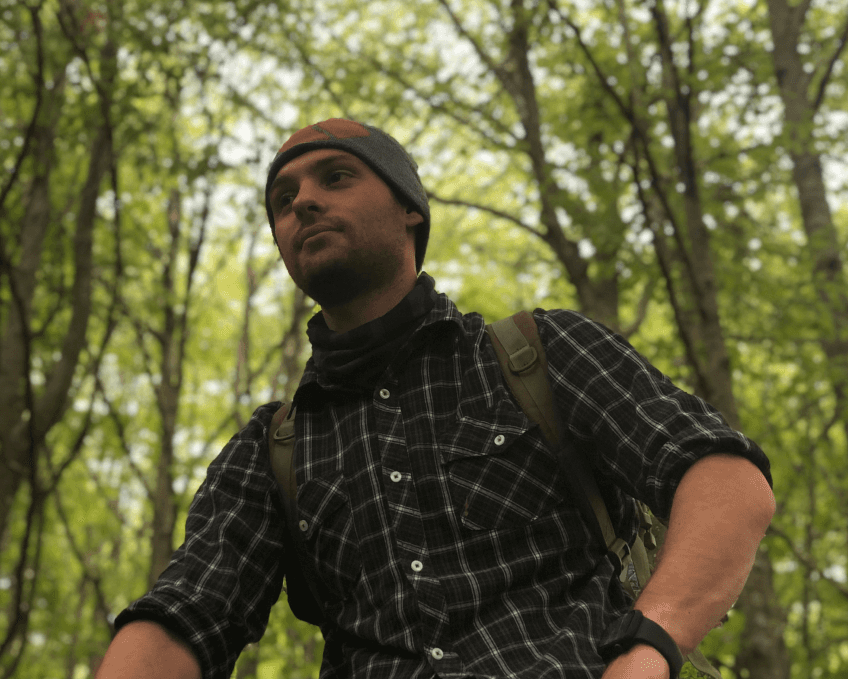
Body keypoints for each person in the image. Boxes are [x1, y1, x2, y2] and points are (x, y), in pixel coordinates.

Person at [97, 119, 775, 679]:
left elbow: (724, 479)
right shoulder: (269, 451)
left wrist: (647, 649)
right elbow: (187, 613)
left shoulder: (543, 353)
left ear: (410, 209)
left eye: (336, 178)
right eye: (282, 199)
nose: (301, 202)